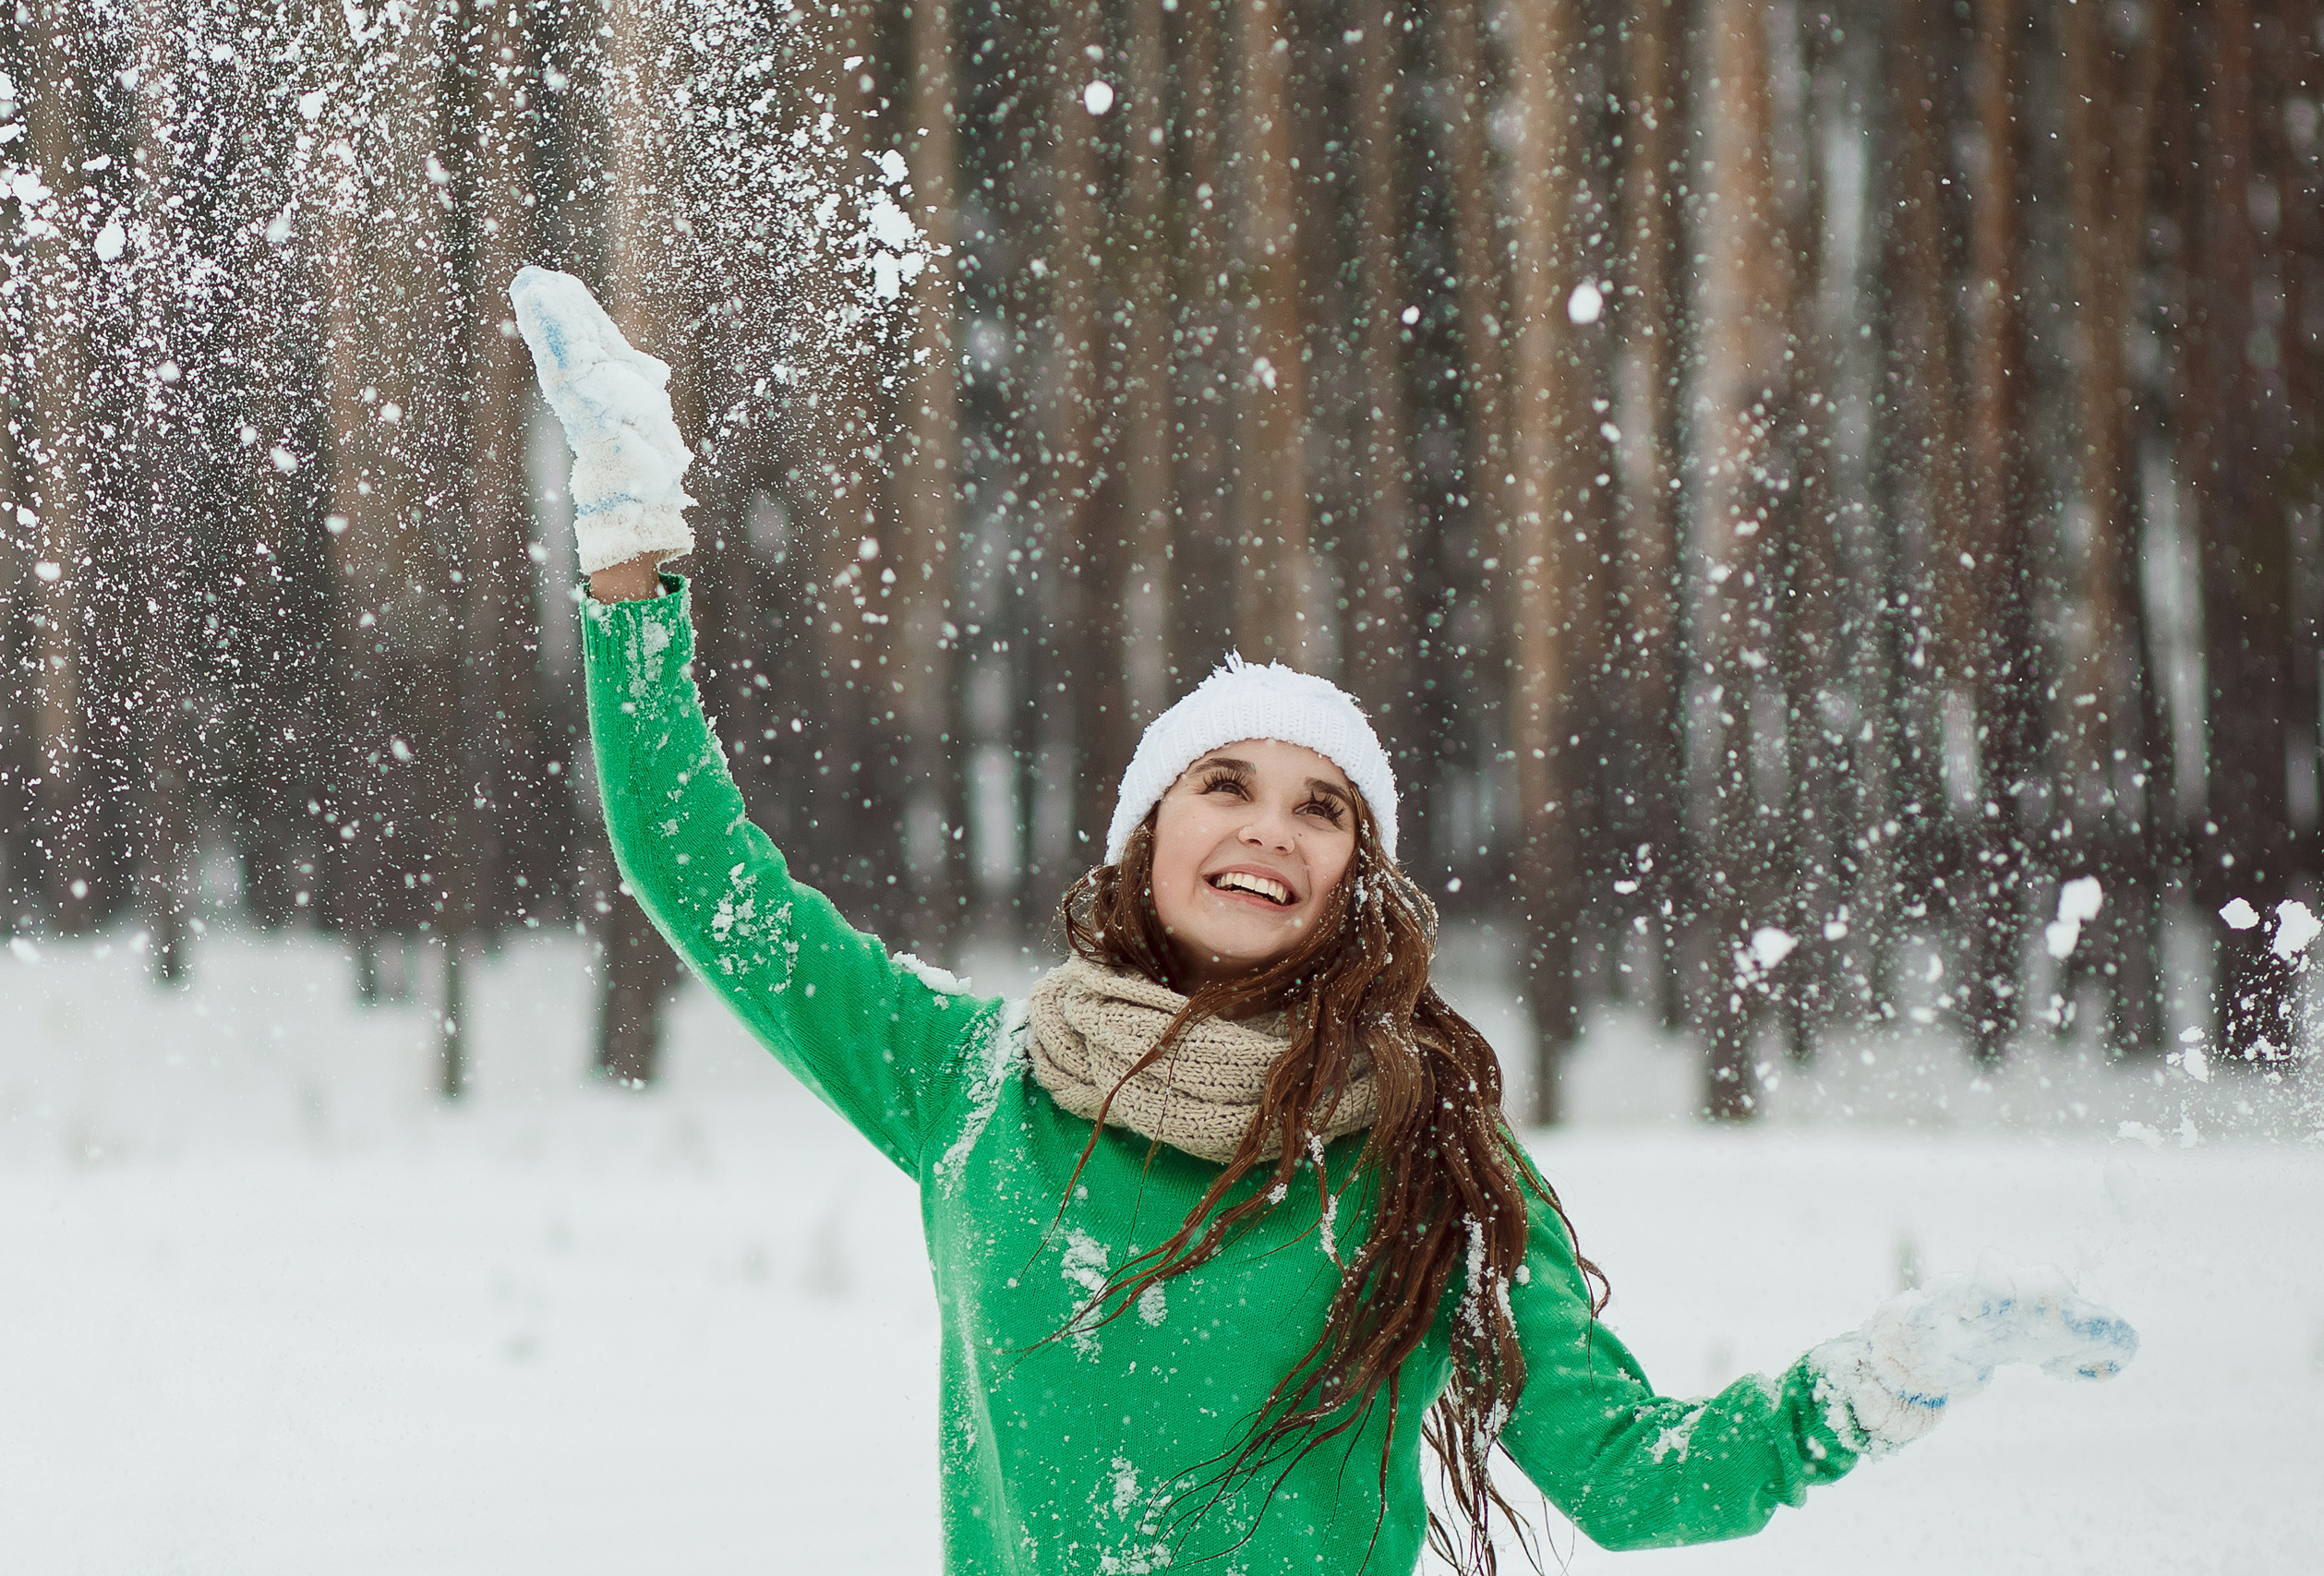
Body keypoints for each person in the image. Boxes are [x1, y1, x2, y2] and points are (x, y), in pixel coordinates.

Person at [508, 266, 2137, 1575]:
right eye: (1226, 784)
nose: (1269, 832)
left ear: (1357, 877)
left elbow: (1640, 1482)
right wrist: (636, 545)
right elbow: (698, 872)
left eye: (1322, 807)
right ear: (1152, 833)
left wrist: (1871, 1384)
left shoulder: (1424, 1158)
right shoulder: (974, 1080)